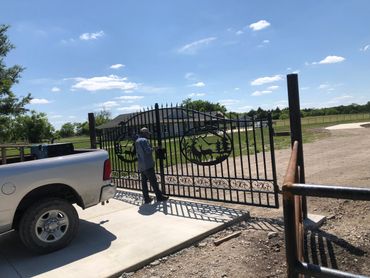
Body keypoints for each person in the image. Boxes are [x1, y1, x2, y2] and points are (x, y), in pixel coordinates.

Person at [135, 127, 169, 204]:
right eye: (147, 133)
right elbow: (148, 151)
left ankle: (146, 198)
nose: (148, 135)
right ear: (144, 133)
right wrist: (156, 148)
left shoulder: (137, 140)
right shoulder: (144, 140)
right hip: (147, 164)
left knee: (144, 183)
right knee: (153, 182)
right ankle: (159, 197)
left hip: (141, 165)